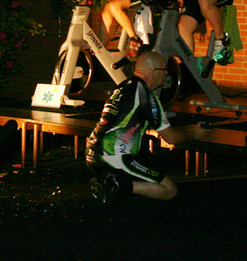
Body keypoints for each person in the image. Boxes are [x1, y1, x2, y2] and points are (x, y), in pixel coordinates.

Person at [85, 51, 208, 204]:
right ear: (152, 71)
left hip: (92, 152)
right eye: (164, 69)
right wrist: (194, 133)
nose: (166, 74)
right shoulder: (146, 97)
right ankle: (115, 185)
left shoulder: (123, 87)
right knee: (169, 190)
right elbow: (171, 138)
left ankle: (114, 182)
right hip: (113, 156)